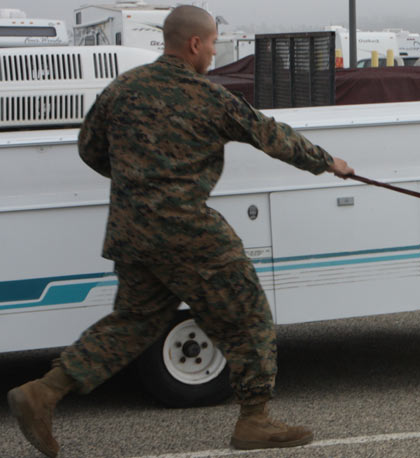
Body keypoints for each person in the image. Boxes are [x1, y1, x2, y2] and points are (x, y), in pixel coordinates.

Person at [6, 5, 354, 457]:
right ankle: (255, 420)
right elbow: (271, 135)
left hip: (131, 230)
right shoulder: (207, 96)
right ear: (195, 44)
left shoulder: (122, 88)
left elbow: (90, 148)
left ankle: (42, 392)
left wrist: (136, 179)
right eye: (211, 44)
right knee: (248, 315)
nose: (212, 52)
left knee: (134, 323)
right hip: (187, 229)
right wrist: (329, 163)